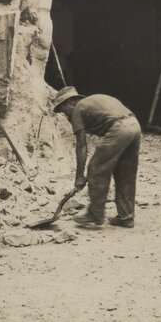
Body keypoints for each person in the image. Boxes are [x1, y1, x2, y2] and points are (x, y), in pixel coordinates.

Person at [51, 86, 140, 229]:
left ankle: (95, 214)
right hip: (134, 125)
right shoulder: (91, 102)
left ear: (70, 102)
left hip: (119, 128)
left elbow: (81, 145)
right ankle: (127, 216)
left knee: (96, 168)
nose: (65, 115)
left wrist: (79, 176)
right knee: (125, 172)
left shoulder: (77, 110)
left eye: (63, 110)